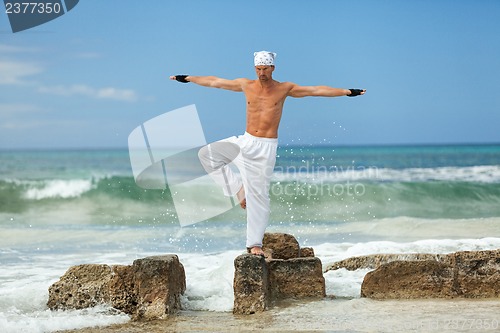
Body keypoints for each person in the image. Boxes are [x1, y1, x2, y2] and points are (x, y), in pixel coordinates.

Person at [170, 51, 366, 256]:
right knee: (207, 154)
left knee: (259, 197)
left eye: (265, 68)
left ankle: (255, 244)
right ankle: (238, 189)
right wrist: (188, 78)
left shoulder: (284, 89)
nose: (261, 73)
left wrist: (347, 91)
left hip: (265, 147)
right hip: (245, 141)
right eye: (258, 69)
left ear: (273, 68)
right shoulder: (246, 85)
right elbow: (215, 82)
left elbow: (316, 90)